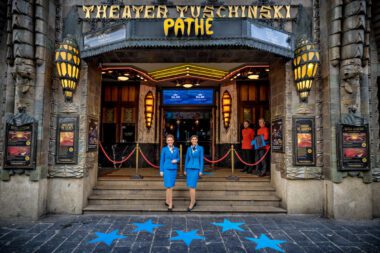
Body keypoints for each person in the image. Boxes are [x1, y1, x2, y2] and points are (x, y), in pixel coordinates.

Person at [159, 134, 180, 211]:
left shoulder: (177, 149)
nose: (170, 141)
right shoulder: (164, 149)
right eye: (168, 140)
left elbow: (178, 158)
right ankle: (170, 204)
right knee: (169, 186)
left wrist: (176, 160)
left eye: (171, 140)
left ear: (173, 141)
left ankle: (167, 201)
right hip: (166, 169)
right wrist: (161, 170)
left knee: (169, 187)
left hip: (174, 169)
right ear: (166, 141)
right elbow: (162, 160)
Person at [184, 135, 204, 212]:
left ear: (197, 140)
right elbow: (186, 159)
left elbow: (201, 160)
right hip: (189, 168)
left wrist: (201, 170)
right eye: (193, 139)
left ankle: (192, 203)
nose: (194, 140)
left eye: (195, 139)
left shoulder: (200, 148)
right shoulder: (189, 149)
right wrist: (185, 169)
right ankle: (193, 201)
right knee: (190, 186)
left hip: (196, 168)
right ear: (191, 140)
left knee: (192, 186)